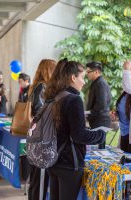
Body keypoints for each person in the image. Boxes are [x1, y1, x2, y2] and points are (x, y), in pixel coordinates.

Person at [44, 60, 106, 200]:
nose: (84, 82)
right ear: (73, 78)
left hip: (53, 159)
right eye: (82, 77)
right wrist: (100, 135)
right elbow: (79, 135)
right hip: (69, 163)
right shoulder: (73, 100)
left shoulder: (54, 96)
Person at [27, 59, 57, 200]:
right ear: (49, 70)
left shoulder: (38, 86)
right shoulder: (42, 86)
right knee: (39, 180)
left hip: (37, 135)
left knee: (37, 179)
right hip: (41, 137)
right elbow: (39, 110)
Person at [86, 61, 111, 148]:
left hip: (101, 121)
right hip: (97, 120)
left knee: (98, 149)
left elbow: (101, 104)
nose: (87, 74)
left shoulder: (100, 83)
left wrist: (88, 112)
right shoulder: (96, 82)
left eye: (88, 72)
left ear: (96, 72)